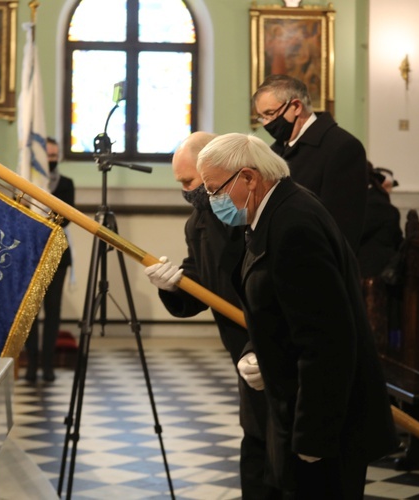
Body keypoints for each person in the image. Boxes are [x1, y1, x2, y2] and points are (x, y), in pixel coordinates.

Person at [197, 132, 397, 499]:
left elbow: (327, 339)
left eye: (214, 189)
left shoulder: (293, 224)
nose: (212, 201)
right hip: (295, 406)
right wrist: (259, 352)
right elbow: (281, 312)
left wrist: (314, 436)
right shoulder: (274, 213)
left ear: (249, 177)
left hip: (324, 424)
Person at [144, 132, 276, 499]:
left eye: (190, 182)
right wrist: (172, 286)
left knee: (283, 455)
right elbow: (201, 282)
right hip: (244, 353)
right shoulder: (198, 222)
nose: (186, 191)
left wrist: (258, 343)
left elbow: (274, 293)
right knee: (256, 446)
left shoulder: (261, 215)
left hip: (275, 346)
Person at [252, 74, 368, 252]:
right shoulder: (274, 151)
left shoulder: (342, 147)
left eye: (269, 114)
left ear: (296, 106)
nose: (266, 123)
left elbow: (342, 226)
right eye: (262, 117)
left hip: (314, 262)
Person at [25, 137, 75, 383]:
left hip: (57, 254)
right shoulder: (25, 182)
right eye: (48, 156)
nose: (52, 160)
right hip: (31, 255)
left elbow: (65, 218)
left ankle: (48, 365)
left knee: (53, 311)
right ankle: (32, 365)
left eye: (55, 155)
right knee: (31, 312)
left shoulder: (66, 183)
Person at [358, 163, 403, 279]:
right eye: (388, 186)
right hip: (371, 271)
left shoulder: (373, 206)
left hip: (372, 274)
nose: (390, 190)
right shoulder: (381, 207)